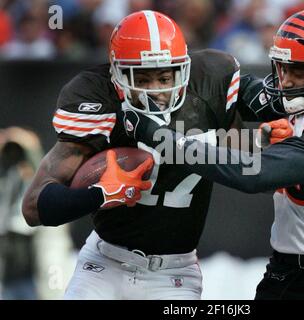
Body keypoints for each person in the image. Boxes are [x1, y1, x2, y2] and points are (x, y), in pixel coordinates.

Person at [122, 8, 304, 300]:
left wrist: (159, 137)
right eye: (281, 68)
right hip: (282, 269)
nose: (284, 81)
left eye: (297, 71)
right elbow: (228, 86)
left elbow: (256, 174)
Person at [22, 10, 273, 300]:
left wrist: (261, 143)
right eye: (141, 78)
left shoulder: (209, 86)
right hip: (104, 263)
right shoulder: (97, 98)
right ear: (116, 74)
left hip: (173, 274)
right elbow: (32, 209)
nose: (155, 90)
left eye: (164, 76)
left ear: (184, 70)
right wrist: (100, 194)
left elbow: (244, 161)